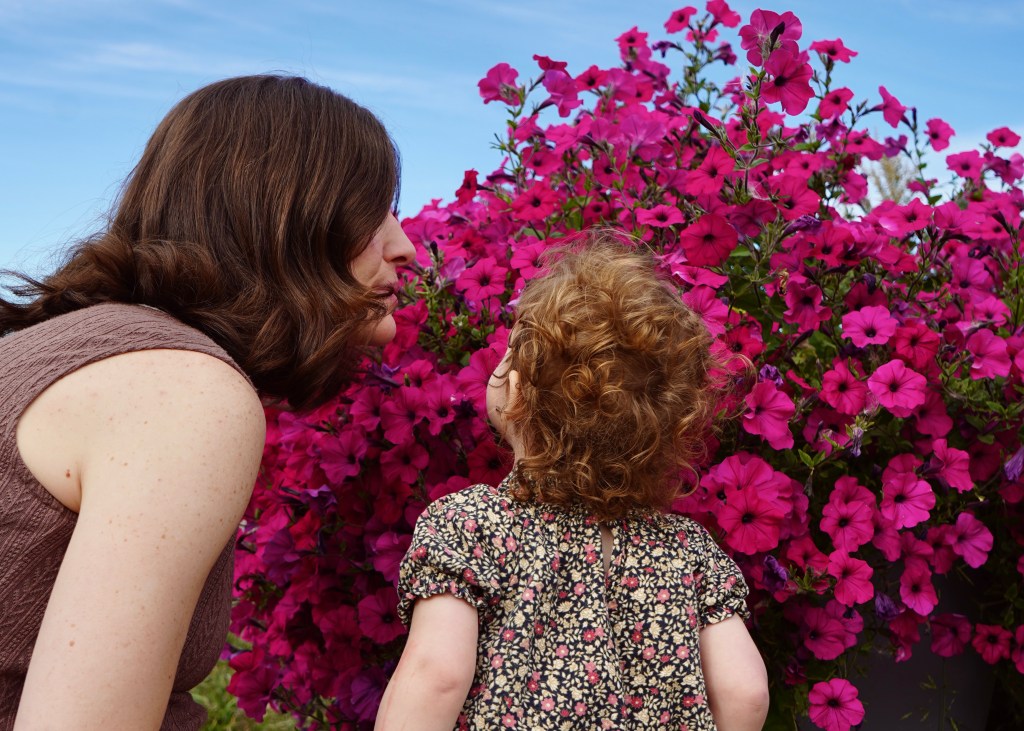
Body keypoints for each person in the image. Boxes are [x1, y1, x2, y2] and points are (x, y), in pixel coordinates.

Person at [0, 74, 416, 730]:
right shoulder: (182, 389)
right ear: (283, 215)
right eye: (374, 210)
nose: (405, 246)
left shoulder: (75, 350)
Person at [376, 233, 769, 731]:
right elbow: (746, 693)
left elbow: (435, 678)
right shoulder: (688, 549)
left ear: (517, 394)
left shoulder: (469, 525)